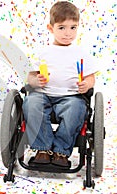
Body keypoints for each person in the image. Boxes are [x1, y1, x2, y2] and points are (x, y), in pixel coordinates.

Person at [22, 1, 99, 167]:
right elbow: (30, 77)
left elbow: (91, 78)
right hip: (44, 95)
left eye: (73, 27)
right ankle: (43, 149)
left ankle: (61, 152)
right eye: (62, 28)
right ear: (51, 28)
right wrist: (36, 81)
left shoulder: (80, 53)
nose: (68, 33)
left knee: (76, 109)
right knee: (31, 102)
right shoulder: (43, 52)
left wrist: (86, 84)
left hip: (71, 97)